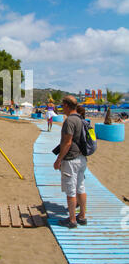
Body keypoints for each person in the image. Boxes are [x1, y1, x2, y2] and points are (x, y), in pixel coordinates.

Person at [54, 95, 87, 228]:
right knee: (81, 188)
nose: (62, 108)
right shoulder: (81, 119)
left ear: (66, 105)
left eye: (62, 105)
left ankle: (72, 220)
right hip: (81, 158)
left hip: (71, 159)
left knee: (71, 191)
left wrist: (58, 159)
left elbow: (67, 143)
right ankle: (82, 216)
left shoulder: (69, 121)